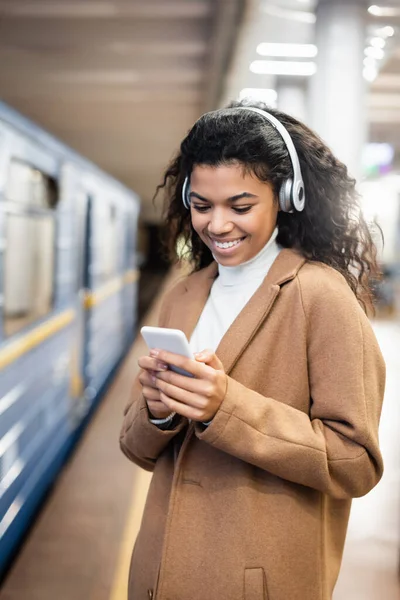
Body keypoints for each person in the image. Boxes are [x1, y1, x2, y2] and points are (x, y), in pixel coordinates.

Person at [120, 101, 386, 600]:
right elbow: (135, 449)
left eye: (240, 207)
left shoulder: (320, 297)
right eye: (202, 206)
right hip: (159, 580)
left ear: (286, 198)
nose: (218, 225)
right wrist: (156, 413)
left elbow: (355, 463)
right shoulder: (184, 295)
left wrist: (226, 407)